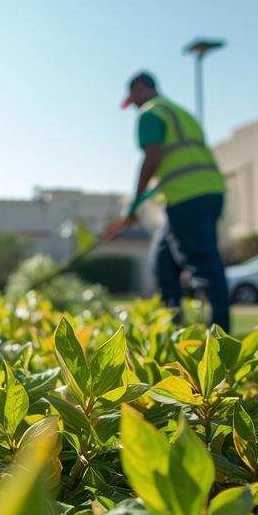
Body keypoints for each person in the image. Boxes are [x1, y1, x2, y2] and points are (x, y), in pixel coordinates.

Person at [103, 72, 231, 329]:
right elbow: (175, 160)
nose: (134, 106)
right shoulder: (182, 114)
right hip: (208, 192)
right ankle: (174, 327)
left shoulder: (150, 113)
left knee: (202, 264)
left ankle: (220, 334)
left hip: (187, 197)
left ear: (141, 88)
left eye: (133, 99)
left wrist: (134, 204)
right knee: (162, 259)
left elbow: (152, 158)